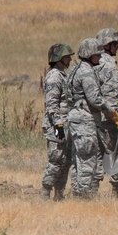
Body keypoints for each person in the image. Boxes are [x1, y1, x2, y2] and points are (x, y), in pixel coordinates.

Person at [66, 38, 118, 198]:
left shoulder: (74, 70)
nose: (99, 57)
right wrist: (110, 110)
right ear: (89, 55)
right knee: (88, 160)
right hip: (85, 120)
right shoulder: (87, 72)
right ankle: (83, 196)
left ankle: (76, 193)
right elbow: (95, 98)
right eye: (97, 54)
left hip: (75, 118)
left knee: (78, 159)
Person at [95, 27, 118, 197]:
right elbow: (110, 98)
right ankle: (117, 192)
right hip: (109, 121)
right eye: (115, 44)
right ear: (106, 45)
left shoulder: (92, 64)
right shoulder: (109, 67)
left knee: (94, 157)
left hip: (95, 120)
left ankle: (89, 192)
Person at [41, 42, 74, 200]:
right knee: (56, 160)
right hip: (56, 125)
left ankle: (59, 193)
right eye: (67, 57)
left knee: (65, 161)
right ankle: (45, 192)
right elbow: (52, 105)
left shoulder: (63, 75)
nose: (69, 60)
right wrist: (58, 125)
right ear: (59, 58)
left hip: (66, 125)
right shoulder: (54, 76)